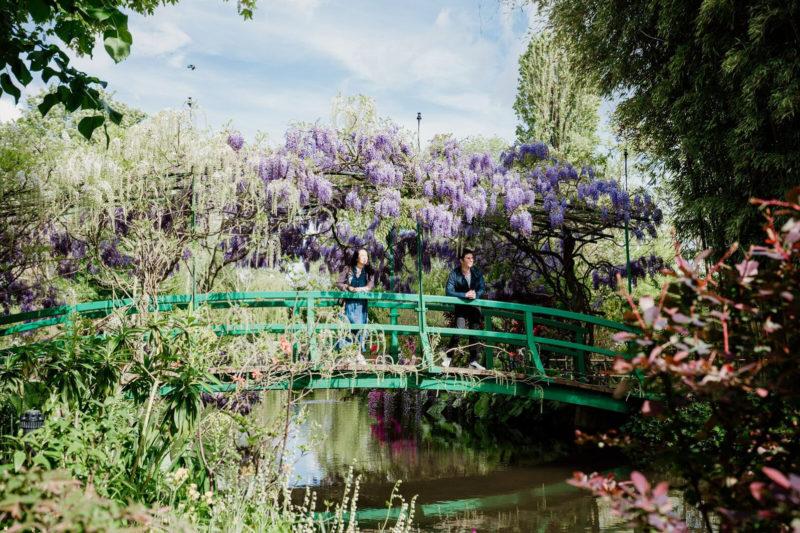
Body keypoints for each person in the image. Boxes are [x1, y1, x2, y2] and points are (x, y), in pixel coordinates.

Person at [443, 249, 487, 370]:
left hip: (474, 306)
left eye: (472, 258)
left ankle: (473, 361)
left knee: (474, 332)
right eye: (468, 258)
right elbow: (449, 291)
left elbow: (483, 288)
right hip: (461, 306)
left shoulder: (477, 272)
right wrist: (464, 295)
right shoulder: (454, 273)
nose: (471, 260)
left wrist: (476, 294)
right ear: (461, 260)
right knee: (459, 331)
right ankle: (448, 358)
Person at [335, 248, 376, 362]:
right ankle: (347, 354)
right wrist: (348, 287)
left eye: (366, 256)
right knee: (347, 327)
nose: (365, 258)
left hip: (361, 305)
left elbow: (369, 287)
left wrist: (357, 289)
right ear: (357, 257)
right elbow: (339, 283)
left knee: (360, 328)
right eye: (362, 255)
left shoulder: (369, 271)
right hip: (348, 304)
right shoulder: (348, 269)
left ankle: (358, 353)